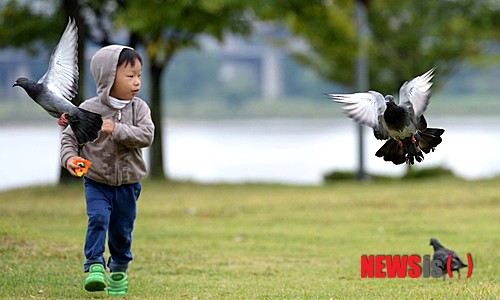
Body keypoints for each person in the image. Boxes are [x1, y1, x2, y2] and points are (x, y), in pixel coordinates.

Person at [60, 45, 154, 295]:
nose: (137, 82)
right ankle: (94, 266)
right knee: (98, 219)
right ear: (108, 77)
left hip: (128, 185)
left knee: (122, 231)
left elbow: (147, 136)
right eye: (130, 75)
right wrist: (70, 158)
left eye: (139, 75)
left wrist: (117, 129)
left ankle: (120, 269)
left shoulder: (140, 108)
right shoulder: (88, 109)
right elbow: (69, 138)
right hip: (97, 181)